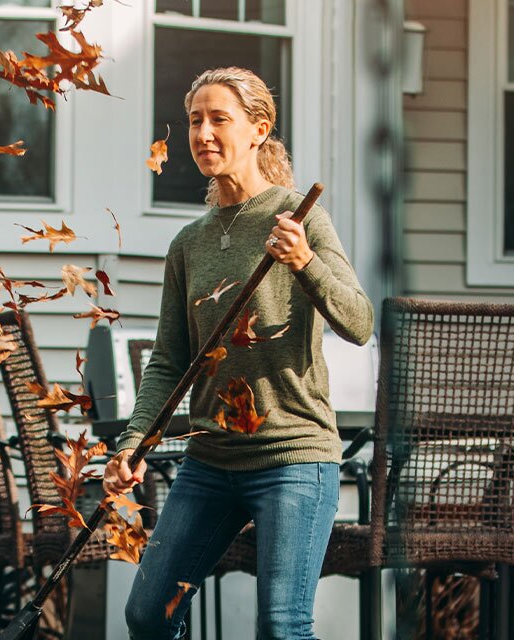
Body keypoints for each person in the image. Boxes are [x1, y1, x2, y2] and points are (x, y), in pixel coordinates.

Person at [105, 67, 372, 639]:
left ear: (258, 129)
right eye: (194, 120)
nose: (203, 133)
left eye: (219, 119)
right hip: (210, 460)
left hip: (293, 455)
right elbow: (169, 360)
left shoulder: (300, 217)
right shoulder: (188, 244)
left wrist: (305, 262)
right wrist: (133, 442)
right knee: (149, 614)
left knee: (282, 626)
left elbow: (359, 322)